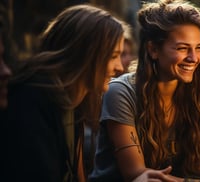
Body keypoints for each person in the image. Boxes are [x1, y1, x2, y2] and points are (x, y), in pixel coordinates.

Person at [90, 0, 200, 181]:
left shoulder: (195, 91)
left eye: (198, 48)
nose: (194, 58)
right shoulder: (121, 92)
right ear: (153, 49)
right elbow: (139, 175)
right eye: (182, 48)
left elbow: (199, 167)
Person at [2, 4, 125, 181]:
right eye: (113, 56)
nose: (119, 67)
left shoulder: (73, 100)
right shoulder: (33, 99)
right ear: (84, 54)